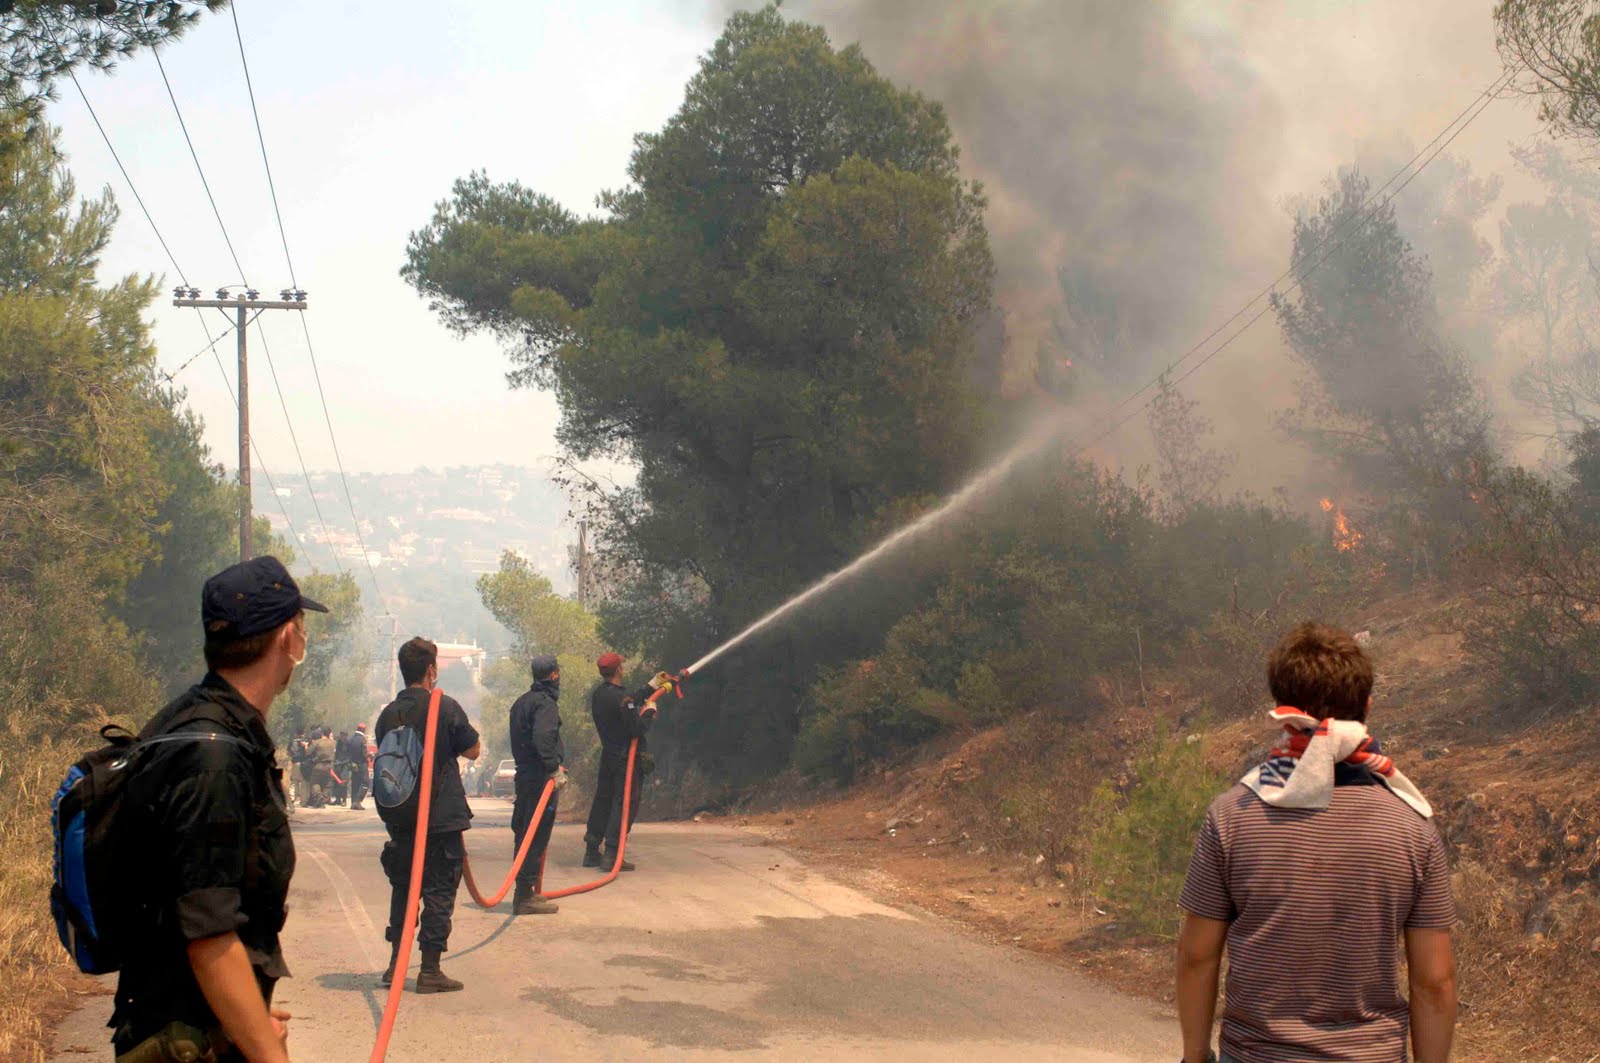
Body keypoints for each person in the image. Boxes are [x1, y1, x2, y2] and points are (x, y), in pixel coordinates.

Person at [1176, 622, 1457, 1063]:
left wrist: (1195, 1056)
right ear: (1366, 706)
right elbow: (1434, 982)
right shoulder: (1411, 826)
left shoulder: (1232, 816)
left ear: (1283, 711)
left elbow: (1197, 956)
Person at [110, 555, 327, 1063]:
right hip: (183, 1042)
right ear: (287, 638)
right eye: (301, 626)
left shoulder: (199, 724)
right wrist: (267, 1053)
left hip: (202, 1029)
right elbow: (207, 934)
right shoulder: (214, 756)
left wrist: (246, 1018)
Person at [375, 637, 481, 994]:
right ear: (431, 670)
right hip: (439, 817)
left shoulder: (388, 714)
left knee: (404, 888)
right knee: (439, 890)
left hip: (401, 816)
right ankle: (430, 970)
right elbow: (473, 750)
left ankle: (396, 963)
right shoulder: (444, 706)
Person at [583, 652, 657, 871]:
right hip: (626, 760)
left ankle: (591, 851)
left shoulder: (599, 695)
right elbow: (636, 728)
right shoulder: (622, 700)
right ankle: (612, 854)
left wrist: (652, 686)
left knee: (603, 801)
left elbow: (627, 703)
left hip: (608, 757)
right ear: (618, 670)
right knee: (624, 804)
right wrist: (649, 713)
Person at [508, 654, 569, 915]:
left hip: (524, 776)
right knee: (535, 834)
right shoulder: (545, 705)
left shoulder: (521, 702)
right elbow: (544, 738)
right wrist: (553, 768)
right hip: (539, 779)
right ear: (554, 675)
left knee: (524, 832)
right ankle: (524, 897)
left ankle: (525, 891)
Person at [306, 726, 335, 808]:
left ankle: (319, 796)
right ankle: (322, 802)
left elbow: (307, 752)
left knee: (315, 782)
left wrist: (305, 746)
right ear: (329, 733)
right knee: (327, 784)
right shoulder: (334, 743)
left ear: (322, 733)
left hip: (318, 765)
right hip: (329, 766)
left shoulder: (317, 742)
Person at [346, 723, 371, 810]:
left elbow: (347, 751)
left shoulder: (351, 739)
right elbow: (364, 754)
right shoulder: (362, 739)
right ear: (364, 730)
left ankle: (353, 802)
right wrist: (370, 755)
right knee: (365, 782)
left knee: (355, 783)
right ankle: (358, 801)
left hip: (353, 765)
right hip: (362, 764)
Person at [331, 730, 351, 806]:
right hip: (337, 764)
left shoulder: (348, 743)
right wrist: (335, 762)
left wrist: (344, 762)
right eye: (341, 735)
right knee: (336, 782)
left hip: (344, 765)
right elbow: (336, 753)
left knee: (343, 783)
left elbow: (350, 755)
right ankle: (338, 799)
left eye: (343, 735)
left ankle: (344, 800)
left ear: (346, 736)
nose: (341, 737)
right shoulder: (338, 743)